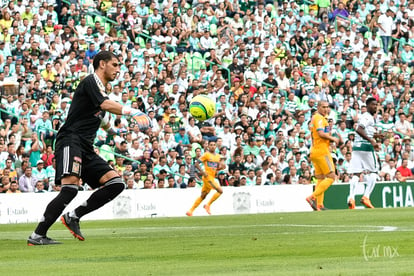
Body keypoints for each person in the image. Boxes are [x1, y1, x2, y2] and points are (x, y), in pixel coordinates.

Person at [27, 51, 151, 246]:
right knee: (70, 189)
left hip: (86, 147)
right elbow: (104, 105)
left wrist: (114, 134)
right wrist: (132, 111)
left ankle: (74, 216)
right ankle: (37, 235)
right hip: (71, 140)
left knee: (116, 183)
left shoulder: (101, 90)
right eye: (115, 65)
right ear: (102, 64)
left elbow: (100, 117)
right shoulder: (91, 81)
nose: (118, 69)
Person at [306, 101, 341, 211]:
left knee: (321, 178)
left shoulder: (316, 118)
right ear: (318, 107)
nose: (326, 109)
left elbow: (317, 135)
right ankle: (312, 197)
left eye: (327, 107)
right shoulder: (319, 118)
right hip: (322, 152)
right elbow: (321, 133)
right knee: (331, 177)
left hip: (315, 151)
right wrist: (333, 139)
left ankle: (319, 205)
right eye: (323, 107)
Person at [347, 98, 380, 209]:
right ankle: (366, 197)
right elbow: (359, 130)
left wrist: (376, 136)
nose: (375, 107)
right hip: (366, 147)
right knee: (374, 172)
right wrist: (372, 141)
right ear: (367, 105)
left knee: (356, 173)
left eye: (376, 105)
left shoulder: (366, 117)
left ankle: (351, 198)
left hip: (357, 147)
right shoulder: (367, 116)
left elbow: (365, 131)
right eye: (373, 104)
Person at [186, 139, 225, 216]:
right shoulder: (206, 155)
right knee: (220, 191)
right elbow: (196, 164)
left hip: (212, 177)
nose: (213, 146)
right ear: (208, 146)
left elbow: (215, 168)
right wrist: (203, 172)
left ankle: (190, 211)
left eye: (214, 145)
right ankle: (208, 205)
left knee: (203, 196)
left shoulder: (217, 156)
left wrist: (221, 167)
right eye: (211, 145)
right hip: (207, 177)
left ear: (216, 146)